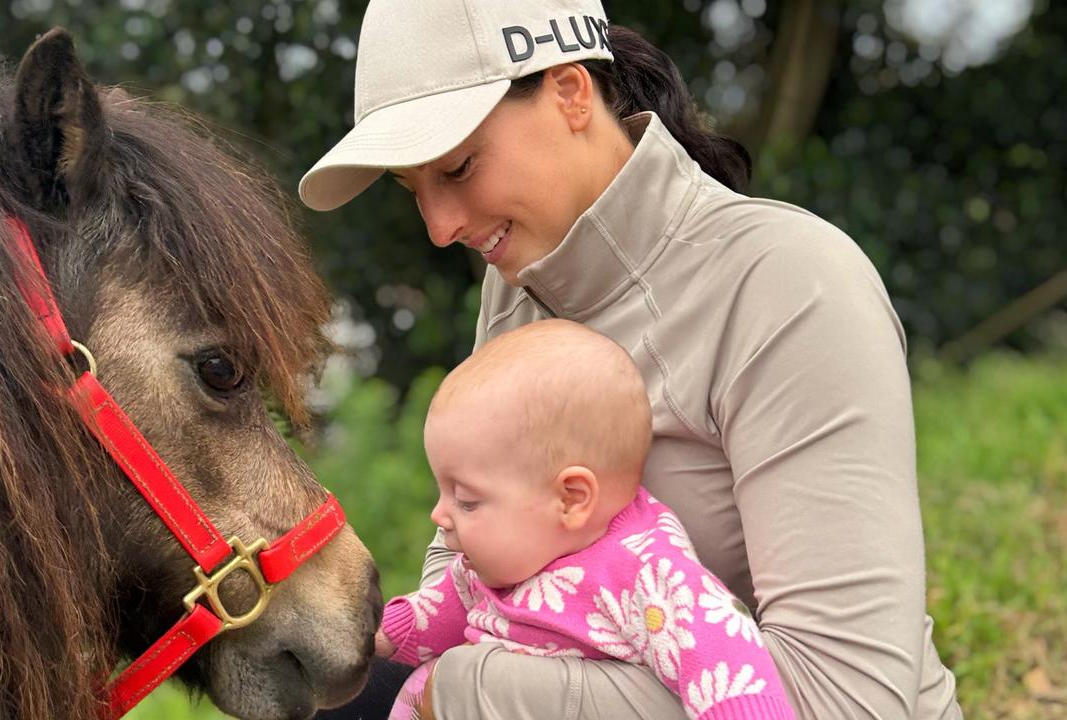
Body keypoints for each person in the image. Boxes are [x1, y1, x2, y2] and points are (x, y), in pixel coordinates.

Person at [300, 0, 962, 718]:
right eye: (413, 189)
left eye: (457, 168)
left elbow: (850, 700)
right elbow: (462, 570)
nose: (438, 227)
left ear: (570, 93)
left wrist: (464, 689)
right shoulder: (519, 285)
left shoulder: (789, 283)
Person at [376, 318, 796, 720]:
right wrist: (379, 634)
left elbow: (726, 661)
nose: (439, 514)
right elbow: (441, 610)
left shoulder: (645, 574)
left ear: (572, 499)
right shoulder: (496, 565)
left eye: (466, 500)